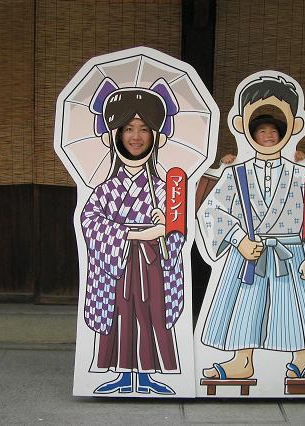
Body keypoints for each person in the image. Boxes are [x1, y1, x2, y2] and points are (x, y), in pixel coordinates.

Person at [197, 75, 305, 389]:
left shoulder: (303, 174)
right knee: (245, 307)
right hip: (249, 253)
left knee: (296, 307)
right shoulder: (235, 173)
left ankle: (303, 360)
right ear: (243, 127)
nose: (267, 135)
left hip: (291, 253)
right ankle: (241, 361)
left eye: (274, 129)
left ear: (293, 127)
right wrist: (238, 239)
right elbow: (211, 210)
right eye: (260, 130)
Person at [81, 87, 185, 395]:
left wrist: (166, 224)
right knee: (120, 313)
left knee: (153, 313)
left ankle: (149, 375)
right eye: (128, 128)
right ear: (114, 135)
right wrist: (136, 233)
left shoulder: (165, 188)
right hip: (119, 261)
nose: (136, 136)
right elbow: (90, 222)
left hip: (153, 262)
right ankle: (123, 374)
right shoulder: (105, 189)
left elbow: (179, 231)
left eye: (144, 129)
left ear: (156, 137)